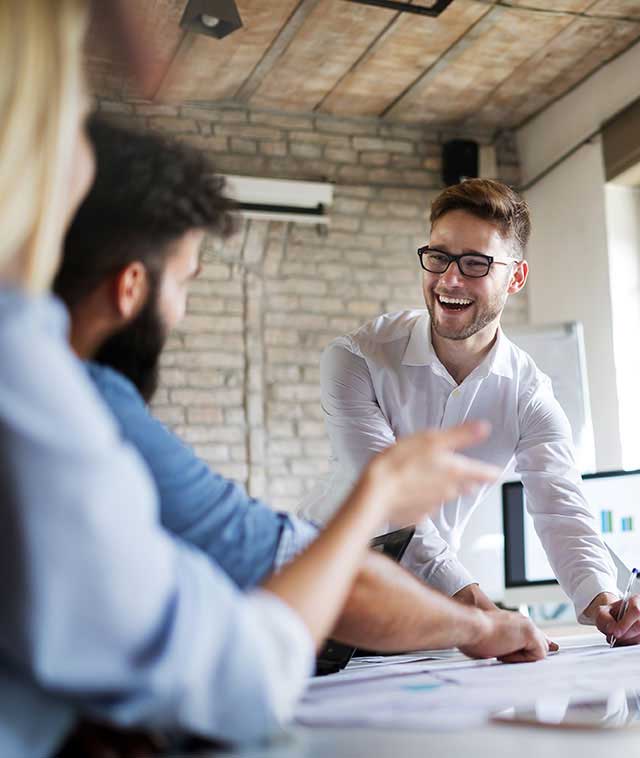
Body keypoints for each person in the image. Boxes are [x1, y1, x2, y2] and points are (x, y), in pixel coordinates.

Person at [0, 4, 516, 755]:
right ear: (129, 288)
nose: (451, 280)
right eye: (72, 112)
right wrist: (380, 499)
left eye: (475, 263)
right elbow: (238, 674)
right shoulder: (51, 394)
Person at [53, 115, 549, 661]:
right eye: (185, 280)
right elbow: (326, 585)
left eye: (474, 264)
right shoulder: (100, 421)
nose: (182, 310)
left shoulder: (41, 389)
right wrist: (480, 625)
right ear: (130, 288)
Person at [302, 178, 640, 645]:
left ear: (515, 277)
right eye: (439, 257)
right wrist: (483, 614)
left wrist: (604, 601)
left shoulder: (529, 395)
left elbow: (562, 509)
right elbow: (391, 501)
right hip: (316, 596)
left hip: (422, 615)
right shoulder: (356, 359)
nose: (449, 279)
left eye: (475, 263)